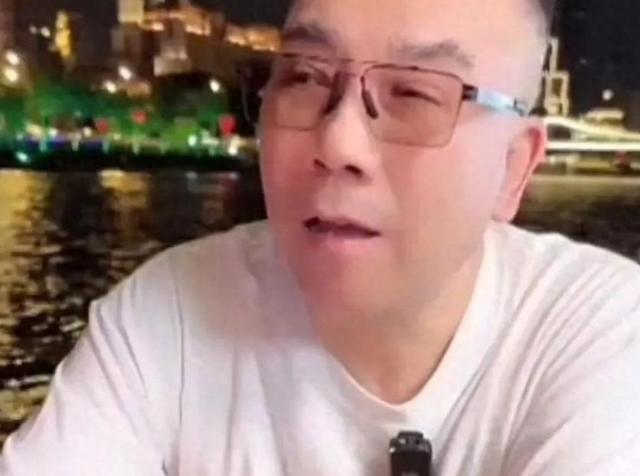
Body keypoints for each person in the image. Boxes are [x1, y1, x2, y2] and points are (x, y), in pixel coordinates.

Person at [2, 0, 640, 474]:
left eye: (415, 93)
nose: (338, 143)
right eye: (305, 78)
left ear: (513, 169)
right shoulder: (164, 319)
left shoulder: (603, 337)